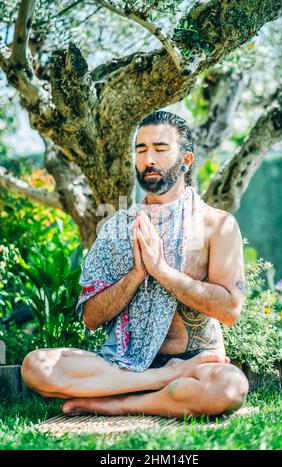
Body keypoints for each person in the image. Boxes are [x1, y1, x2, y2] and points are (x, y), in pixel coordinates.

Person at [21, 110, 249, 419]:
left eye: (160, 148)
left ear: (186, 160)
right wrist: (138, 274)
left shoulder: (216, 225)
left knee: (230, 388)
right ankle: (157, 383)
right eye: (141, 150)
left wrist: (161, 271)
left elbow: (230, 310)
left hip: (193, 365)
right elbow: (91, 317)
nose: (148, 158)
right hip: (123, 363)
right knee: (35, 367)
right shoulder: (117, 228)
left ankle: (120, 402)